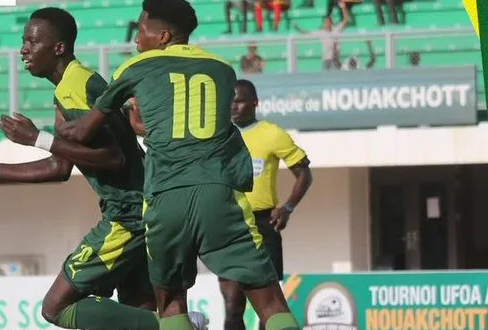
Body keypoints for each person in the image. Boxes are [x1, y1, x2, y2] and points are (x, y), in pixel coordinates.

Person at [0, 7, 208, 330]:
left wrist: (38, 138)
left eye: (32, 42)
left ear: (59, 47)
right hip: (144, 210)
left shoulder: (76, 84)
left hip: (129, 215)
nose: (24, 49)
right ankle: (171, 323)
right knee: (136, 309)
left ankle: (180, 326)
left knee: (55, 307)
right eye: (23, 41)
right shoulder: (68, 87)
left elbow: (113, 158)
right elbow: (60, 166)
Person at [54, 0, 301, 329]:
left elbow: (84, 129)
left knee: (171, 307)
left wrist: (43, 136)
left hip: (166, 200)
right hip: (218, 195)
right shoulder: (223, 70)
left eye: (141, 31)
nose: (136, 40)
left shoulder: (132, 68)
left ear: (163, 36)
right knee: (270, 304)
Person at [222, 79, 313, 330]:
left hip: (263, 223)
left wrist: (288, 208)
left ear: (254, 103)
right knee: (232, 304)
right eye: (230, 101)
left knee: (268, 306)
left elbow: (305, 174)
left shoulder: (272, 133)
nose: (234, 107)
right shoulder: (220, 135)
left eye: (239, 101)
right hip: (229, 223)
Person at [294, 1, 349, 71]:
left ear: (331, 22)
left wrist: (343, 7)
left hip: (336, 59)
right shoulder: (321, 33)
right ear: (323, 24)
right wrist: (298, 29)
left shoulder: (336, 29)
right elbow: (307, 33)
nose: (327, 24)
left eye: (328, 22)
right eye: (325, 22)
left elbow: (346, 20)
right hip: (326, 60)